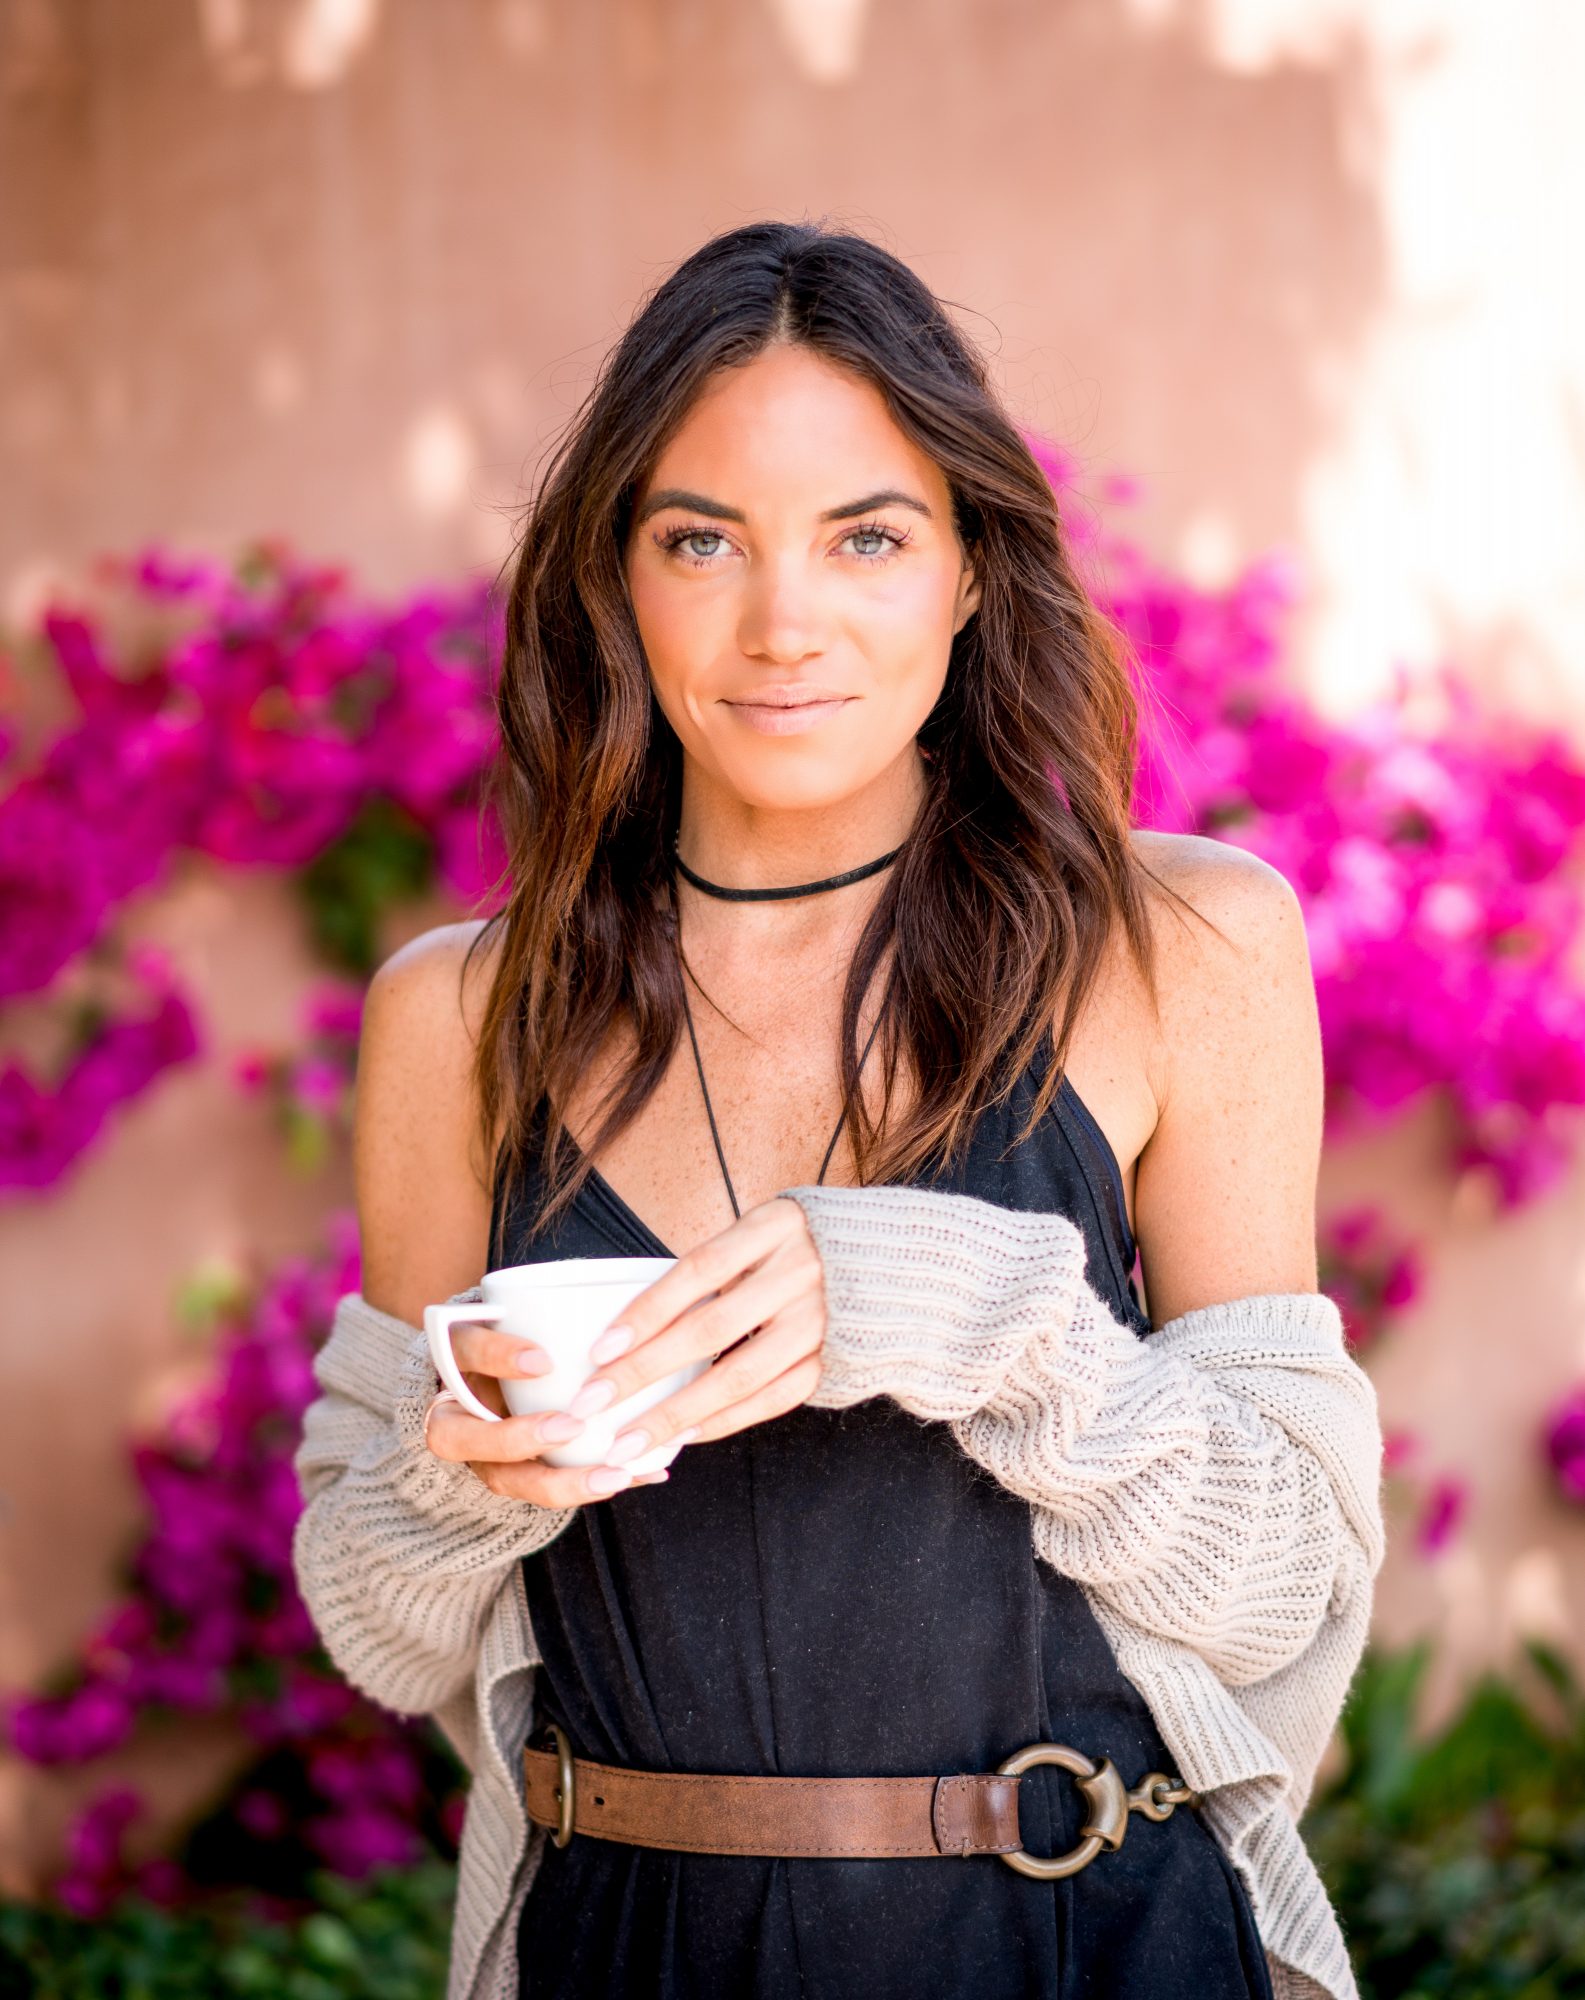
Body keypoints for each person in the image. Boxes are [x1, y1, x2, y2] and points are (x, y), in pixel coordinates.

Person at [293, 220, 1385, 2000]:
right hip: (624, 1949)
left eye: (865, 537)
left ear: (966, 572)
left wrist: (989, 1318)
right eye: (699, 540)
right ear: (616, 586)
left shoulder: (1180, 947)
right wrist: (460, 1474)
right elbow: (378, 1619)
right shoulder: (459, 1016)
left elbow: (1273, 1585)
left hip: (1080, 1936)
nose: (781, 621)